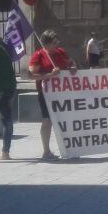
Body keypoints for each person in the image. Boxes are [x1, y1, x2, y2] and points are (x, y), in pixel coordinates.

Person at [29, 29, 77, 160]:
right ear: (46, 44)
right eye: (54, 42)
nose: (57, 44)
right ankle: (46, 151)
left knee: (67, 119)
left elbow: (71, 62)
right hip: (46, 94)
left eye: (57, 41)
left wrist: (73, 67)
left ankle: (70, 148)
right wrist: (50, 75)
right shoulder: (38, 56)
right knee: (47, 120)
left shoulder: (61, 52)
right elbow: (31, 75)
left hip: (63, 93)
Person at [0, 28, 16, 160]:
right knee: (7, 119)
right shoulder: (2, 48)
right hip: (9, 88)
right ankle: (5, 152)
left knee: (6, 119)